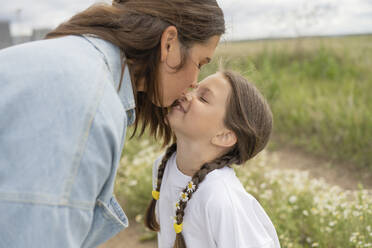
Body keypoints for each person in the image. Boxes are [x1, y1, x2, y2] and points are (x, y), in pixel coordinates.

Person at [0, 0, 224, 247]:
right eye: (201, 63)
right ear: (169, 43)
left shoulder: (74, 60)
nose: (195, 82)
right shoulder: (89, 102)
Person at [145, 71, 281, 248]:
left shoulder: (221, 199)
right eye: (194, 89)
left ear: (224, 136)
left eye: (203, 99)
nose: (185, 94)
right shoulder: (164, 166)